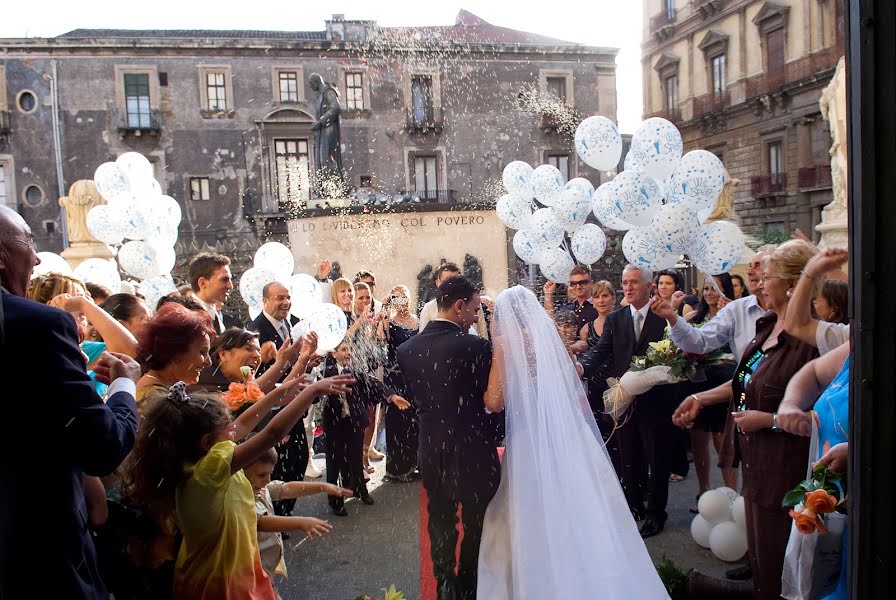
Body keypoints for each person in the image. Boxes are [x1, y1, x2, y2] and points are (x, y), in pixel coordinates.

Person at [477, 286, 670, 599]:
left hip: (529, 437)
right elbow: (572, 376)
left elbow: (496, 401)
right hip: (567, 433)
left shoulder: (504, 342)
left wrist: (477, 394)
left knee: (529, 506)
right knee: (581, 499)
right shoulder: (549, 334)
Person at [0, 204, 142, 598]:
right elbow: (103, 446)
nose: (36, 255)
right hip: (38, 557)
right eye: (28, 240)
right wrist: (123, 387)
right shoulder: (37, 326)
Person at [672, 240, 821, 600]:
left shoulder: (812, 338)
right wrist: (699, 397)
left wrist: (767, 420)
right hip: (753, 462)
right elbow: (745, 380)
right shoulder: (766, 327)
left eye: (765, 275)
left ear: (791, 284)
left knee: (780, 566)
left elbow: (827, 412)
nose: (757, 281)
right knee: (761, 558)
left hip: (784, 467)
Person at [127, 369, 353, 600]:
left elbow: (243, 423)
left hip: (222, 572)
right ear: (207, 443)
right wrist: (311, 391)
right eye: (227, 430)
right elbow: (272, 434)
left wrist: (280, 392)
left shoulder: (198, 463)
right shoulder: (207, 473)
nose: (234, 432)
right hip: (222, 584)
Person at [397, 276, 503, 600]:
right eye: (473, 309)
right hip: (474, 450)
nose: (474, 317)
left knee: (441, 517)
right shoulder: (476, 347)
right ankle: (469, 582)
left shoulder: (406, 350)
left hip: (430, 449)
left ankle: (444, 583)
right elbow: (493, 400)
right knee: (476, 522)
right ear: (459, 306)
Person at [579, 264, 673, 538]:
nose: (628, 287)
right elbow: (600, 352)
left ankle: (656, 513)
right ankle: (633, 507)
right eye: (625, 282)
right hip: (624, 400)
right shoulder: (616, 319)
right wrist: (582, 368)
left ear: (648, 286)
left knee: (657, 459)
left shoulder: (663, 317)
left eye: (634, 282)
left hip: (657, 400)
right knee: (628, 456)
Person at [777, 341, 850, 600]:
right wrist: (789, 404)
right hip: (833, 509)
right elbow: (814, 372)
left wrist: (855, 452)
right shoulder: (860, 343)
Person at [320, 339, 410, 515]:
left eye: (349, 350)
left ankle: (361, 490)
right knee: (334, 462)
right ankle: (335, 501)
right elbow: (314, 394)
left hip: (354, 422)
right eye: (343, 350)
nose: (348, 353)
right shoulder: (325, 373)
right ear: (333, 353)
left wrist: (392, 397)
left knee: (355, 458)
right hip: (334, 424)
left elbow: (373, 383)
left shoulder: (356, 371)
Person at [244, 445, 351, 589]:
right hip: (250, 576)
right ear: (241, 472)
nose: (268, 480)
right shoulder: (241, 500)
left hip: (265, 572)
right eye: (262, 475)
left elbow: (285, 489)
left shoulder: (260, 488)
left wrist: (323, 486)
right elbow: (261, 522)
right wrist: (301, 522)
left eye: (270, 474)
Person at [378, 285, 421, 481]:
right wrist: (385, 309)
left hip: (413, 376)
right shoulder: (390, 322)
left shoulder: (418, 321)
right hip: (394, 376)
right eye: (396, 298)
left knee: (414, 420)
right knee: (397, 420)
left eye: (403, 297)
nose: (401, 301)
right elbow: (381, 339)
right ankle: (397, 468)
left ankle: (413, 464)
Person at [135, 303, 215, 403]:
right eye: (202, 352)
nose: (209, 362)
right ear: (175, 352)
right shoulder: (154, 399)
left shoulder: (162, 389)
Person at [783, 247, 850, 354]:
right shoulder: (848, 336)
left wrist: (811, 271)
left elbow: (797, 326)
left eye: (767, 277)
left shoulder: (848, 338)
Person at [418, 262, 490, 338]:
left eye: (456, 281)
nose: (452, 286)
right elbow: (423, 339)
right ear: (437, 282)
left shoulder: (474, 305)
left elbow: (483, 335)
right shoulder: (428, 308)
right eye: (447, 282)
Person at [188, 252, 239, 334]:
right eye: (224, 280)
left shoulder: (215, 314)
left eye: (230, 280)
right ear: (203, 283)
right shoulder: (187, 319)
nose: (230, 286)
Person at [542, 265, 599, 329]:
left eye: (582, 282)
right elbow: (552, 324)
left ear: (591, 284)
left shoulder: (599, 306)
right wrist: (548, 294)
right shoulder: (567, 308)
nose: (578, 287)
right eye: (573, 283)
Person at [309, 72, 344, 177]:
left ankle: (334, 187)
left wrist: (321, 121)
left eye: (311, 84)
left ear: (317, 82)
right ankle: (324, 189)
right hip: (322, 132)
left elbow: (336, 107)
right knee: (320, 162)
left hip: (329, 131)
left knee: (327, 159)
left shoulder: (329, 92)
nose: (310, 87)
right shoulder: (320, 95)